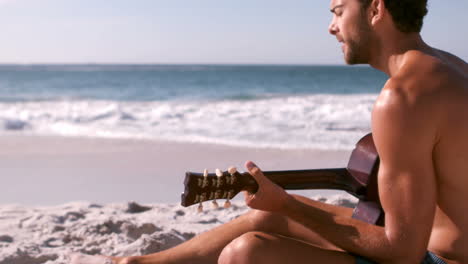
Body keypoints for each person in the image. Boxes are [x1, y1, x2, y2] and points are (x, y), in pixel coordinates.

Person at [72, 0, 468, 263]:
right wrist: (282, 207)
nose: (331, 27)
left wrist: (289, 204)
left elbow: (402, 251)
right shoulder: (450, 67)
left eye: (338, 10)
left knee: (247, 253)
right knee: (262, 220)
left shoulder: (402, 97)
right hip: (433, 245)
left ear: (376, 9)